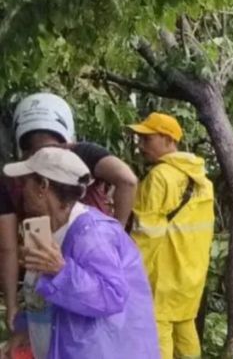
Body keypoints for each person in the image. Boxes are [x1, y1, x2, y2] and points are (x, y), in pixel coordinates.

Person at [0, 93, 138, 332]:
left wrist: (13, 306)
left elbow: (8, 248)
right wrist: (118, 233)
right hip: (65, 284)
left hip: (53, 275)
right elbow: (127, 180)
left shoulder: (90, 234)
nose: (25, 191)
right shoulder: (83, 154)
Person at [3, 147, 159, 358]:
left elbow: (112, 297)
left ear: (43, 186)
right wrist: (25, 328)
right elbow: (46, 294)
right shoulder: (52, 228)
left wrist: (61, 272)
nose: (23, 190)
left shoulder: (93, 235)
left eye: (26, 182)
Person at [129, 112, 214, 359]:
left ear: (168, 140)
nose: (142, 146)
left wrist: (131, 275)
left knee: (159, 334)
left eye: (148, 139)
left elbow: (145, 235)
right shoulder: (203, 182)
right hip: (192, 275)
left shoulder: (159, 177)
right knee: (186, 328)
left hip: (163, 277)